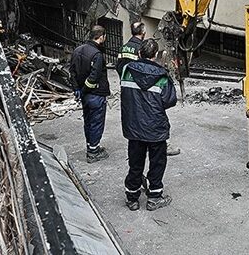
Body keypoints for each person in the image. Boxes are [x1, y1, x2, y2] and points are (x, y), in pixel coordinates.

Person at [121, 38, 177, 211]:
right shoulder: (161, 76)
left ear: (139, 53)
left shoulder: (126, 71)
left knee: (135, 163)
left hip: (134, 126)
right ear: (155, 55)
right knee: (157, 163)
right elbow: (170, 101)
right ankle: (154, 197)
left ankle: (132, 198)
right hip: (155, 128)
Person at [117, 21, 181, 156]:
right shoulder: (142, 48)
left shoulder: (124, 48)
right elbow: (169, 100)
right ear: (143, 32)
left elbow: (119, 66)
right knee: (149, 114)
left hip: (129, 85)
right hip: (145, 86)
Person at [70, 25, 111, 163]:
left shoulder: (77, 50)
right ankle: (93, 151)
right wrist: (85, 90)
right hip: (95, 94)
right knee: (96, 122)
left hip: (84, 95)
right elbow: (94, 77)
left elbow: (72, 72)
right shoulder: (96, 55)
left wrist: (78, 90)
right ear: (101, 37)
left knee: (88, 121)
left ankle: (90, 146)